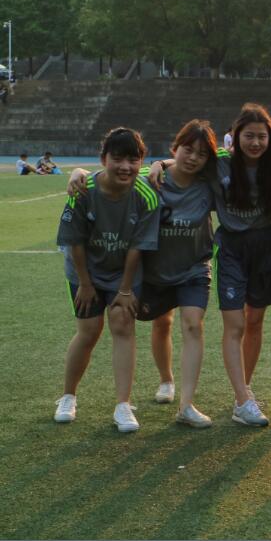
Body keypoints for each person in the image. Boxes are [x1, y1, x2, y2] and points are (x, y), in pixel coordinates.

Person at [53, 128, 160, 432]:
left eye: (133, 160)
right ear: (103, 159)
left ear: (141, 161)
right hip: (84, 269)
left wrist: (125, 289)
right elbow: (74, 241)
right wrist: (86, 285)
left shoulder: (146, 195)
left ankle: (123, 405)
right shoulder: (83, 189)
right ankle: (68, 397)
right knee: (88, 330)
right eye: (118, 158)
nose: (125, 166)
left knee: (122, 324)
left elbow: (138, 246)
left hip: (123, 270)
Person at [139, 120, 218, 428]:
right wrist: (78, 173)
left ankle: (186, 405)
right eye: (188, 149)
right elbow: (110, 177)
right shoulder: (152, 180)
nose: (193, 157)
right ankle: (166, 379)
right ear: (176, 148)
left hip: (194, 268)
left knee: (193, 325)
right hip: (156, 270)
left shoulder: (208, 184)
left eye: (202, 153)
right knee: (162, 322)